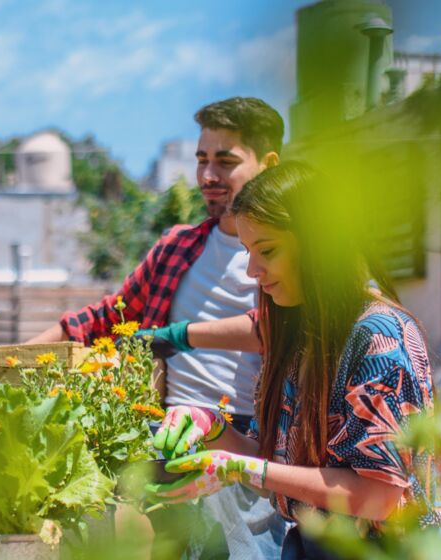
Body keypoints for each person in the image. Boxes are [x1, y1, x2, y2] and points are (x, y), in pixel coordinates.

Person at [147, 162, 441, 557]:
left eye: (268, 250)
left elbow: (381, 496)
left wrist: (237, 467)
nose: (253, 271)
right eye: (247, 251)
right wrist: (211, 427)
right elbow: (278, 470)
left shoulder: (379, 338)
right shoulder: (297, 337)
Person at [28, 97, 286, 558]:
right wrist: (12, 360)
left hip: (246, 444)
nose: (208, 176)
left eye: (226, 162)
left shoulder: (283, 253)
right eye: (202, 160)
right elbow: (106, 318)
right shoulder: (178, 247)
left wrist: (179, 334)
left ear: (268, 164)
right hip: (163, 436)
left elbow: (283, 328)